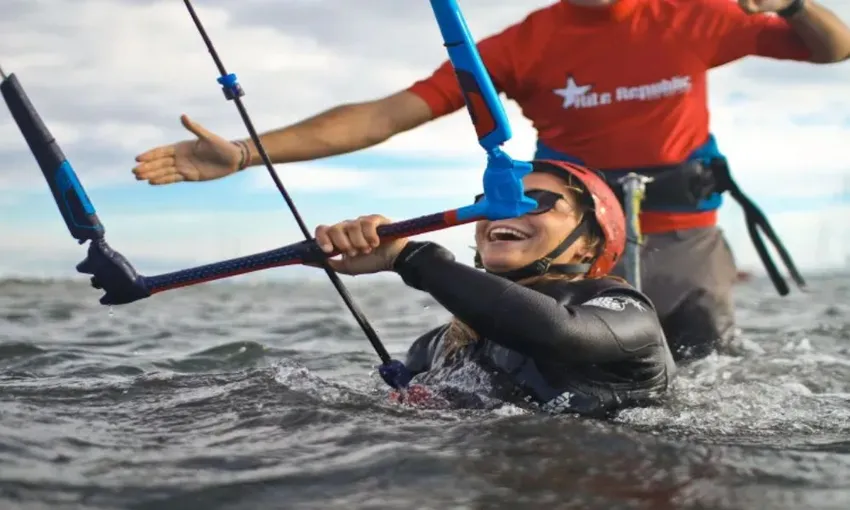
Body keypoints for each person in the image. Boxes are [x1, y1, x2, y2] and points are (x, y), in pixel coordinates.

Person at [131, 0, 850, 363]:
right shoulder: (522, 44)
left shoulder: (694, 14)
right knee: (521, 363)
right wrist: (248, 152)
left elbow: (832, 48)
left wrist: (792, 5)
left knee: (701, 367)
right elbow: (386, 114)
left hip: (682, 236)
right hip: (564, 242)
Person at [310, 159, 675, 418]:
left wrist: (410, 258)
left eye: (535, 201)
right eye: (490, 202)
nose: (502, 211)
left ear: (588, 243)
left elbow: (559, 332)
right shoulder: (432, 347)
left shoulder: (628, 312)